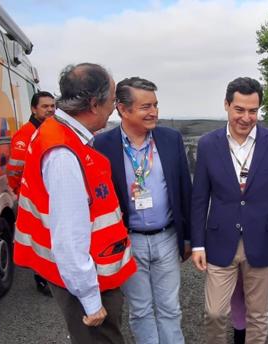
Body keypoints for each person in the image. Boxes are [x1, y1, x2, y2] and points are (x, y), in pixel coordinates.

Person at [13, 63, 137, 344]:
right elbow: (69, 238)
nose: (114, 107)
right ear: (94, 103)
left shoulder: (58, 133)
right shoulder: (63, 154)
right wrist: (91, 301)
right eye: (112, 99)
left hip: (84, 277)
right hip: (87, 284)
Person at [190, 77, 268, 344]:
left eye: (253, 111)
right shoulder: (208, 144)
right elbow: (200, 197)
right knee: (214, 313)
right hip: (219, 240)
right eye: (240, 109)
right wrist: (198, 244)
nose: (246, 117)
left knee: (258, 315)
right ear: (226, 105)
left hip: (262, 240)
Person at [94, 77, 192, 344]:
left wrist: (188, 237)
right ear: (123, 110)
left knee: (170, 308)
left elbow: (185, 189)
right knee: (140, 310)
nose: (154, 112)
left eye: (156, 105)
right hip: (129, 240)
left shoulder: (170, 139)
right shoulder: (102, 145)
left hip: (167, 237)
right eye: (145, 106)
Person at [6, 91, 56, 296]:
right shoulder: (25, 134)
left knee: (52, 237)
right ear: (34, 109)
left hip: (49, 194)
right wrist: (21, 192)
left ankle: (53, 274)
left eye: (53, 106)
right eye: (45, 106)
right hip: (34, 195)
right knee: (40, 239)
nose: (50, 110)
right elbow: (15, 169)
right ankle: (42, 279)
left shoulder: (52, 129)